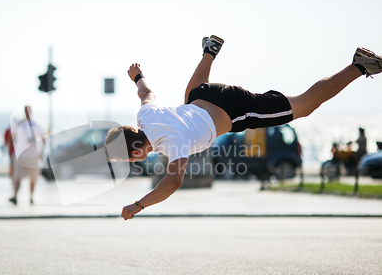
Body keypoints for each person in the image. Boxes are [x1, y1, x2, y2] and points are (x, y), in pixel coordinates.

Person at [103, 35, 382, 220]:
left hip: (236, 109)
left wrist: (138, 205)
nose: (132, 161)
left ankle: (358, 65)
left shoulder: (170, 142)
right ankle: (209, 52)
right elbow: (145, 92)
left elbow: (174, 182)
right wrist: (137, 75)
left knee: (304, 106)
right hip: (206, 94)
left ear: (137, 149)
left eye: (129, 157)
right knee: (189, 97)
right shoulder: (146, 116)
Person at [9, 106, 45, 205]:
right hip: (20, 155)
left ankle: (31, 197)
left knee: (33, 178)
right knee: (17, 177)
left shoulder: (36, 125)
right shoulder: (18, 124)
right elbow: (12, 138)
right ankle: (15, 196)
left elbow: (43, 137)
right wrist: (11, 152)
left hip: (33, 156)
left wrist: (41, 152)